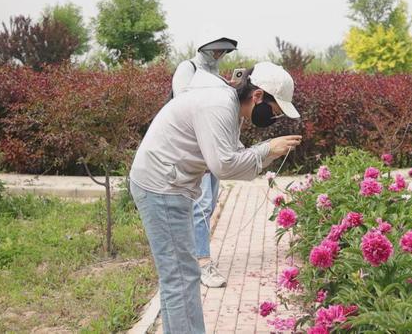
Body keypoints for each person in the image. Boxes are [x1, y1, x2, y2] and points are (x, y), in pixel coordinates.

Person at [129, 61, 302, 334]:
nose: (274, 118)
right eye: (275, 110)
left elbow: (236, 157)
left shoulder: (228, 107)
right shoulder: (220, 106)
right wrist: (268, 148)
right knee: (180, 278)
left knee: (180, 276)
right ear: (257, 96)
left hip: (168, 185)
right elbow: (224, 165)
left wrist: (268, 152)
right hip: (161, 187)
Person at [171, 34, 238, 288]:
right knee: (201, 205)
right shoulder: (187, 69)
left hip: (214, 146)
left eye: (223, 51)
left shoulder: (214, 73)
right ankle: (202, 264)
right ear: (205, 48)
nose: (219, 55)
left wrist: (227, 88)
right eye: (217, 50)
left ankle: (193, 255)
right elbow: (183, 106)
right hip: (195, 148)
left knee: (207, 206)